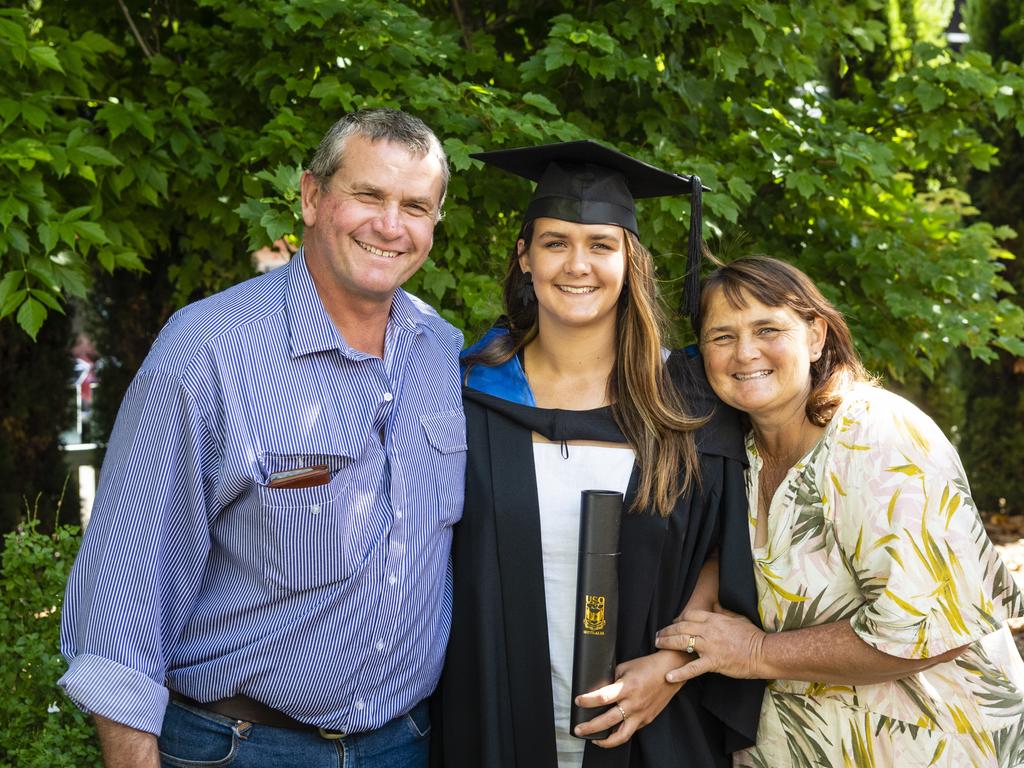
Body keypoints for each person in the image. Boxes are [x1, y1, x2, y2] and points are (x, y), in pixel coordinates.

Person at [59, 108, 466, 768]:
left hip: (408, 745)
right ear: (312, 196)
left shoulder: (444, 356)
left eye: (415, 206)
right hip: (241, 749)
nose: (391, 226)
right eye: (368, 195)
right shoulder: (206, 353)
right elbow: (127, 592)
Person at [432, 141, 764, 768]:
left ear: (630, 261)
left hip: (651, 730)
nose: (576, 264)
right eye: (555, 242)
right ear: (524, 257)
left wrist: (670, 666)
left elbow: (729, 549)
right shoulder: (465, 393)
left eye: (601, 245)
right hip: (491, 719)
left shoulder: (688, 404)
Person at [656, 255, 1024, 766]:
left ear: (816, 335)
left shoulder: (879, 439)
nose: (744, 352)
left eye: (768, 328)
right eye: (722, 337)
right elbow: (738, 558)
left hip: (928, 743)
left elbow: (930, 631)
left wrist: (758, 652)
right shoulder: (738, 451)